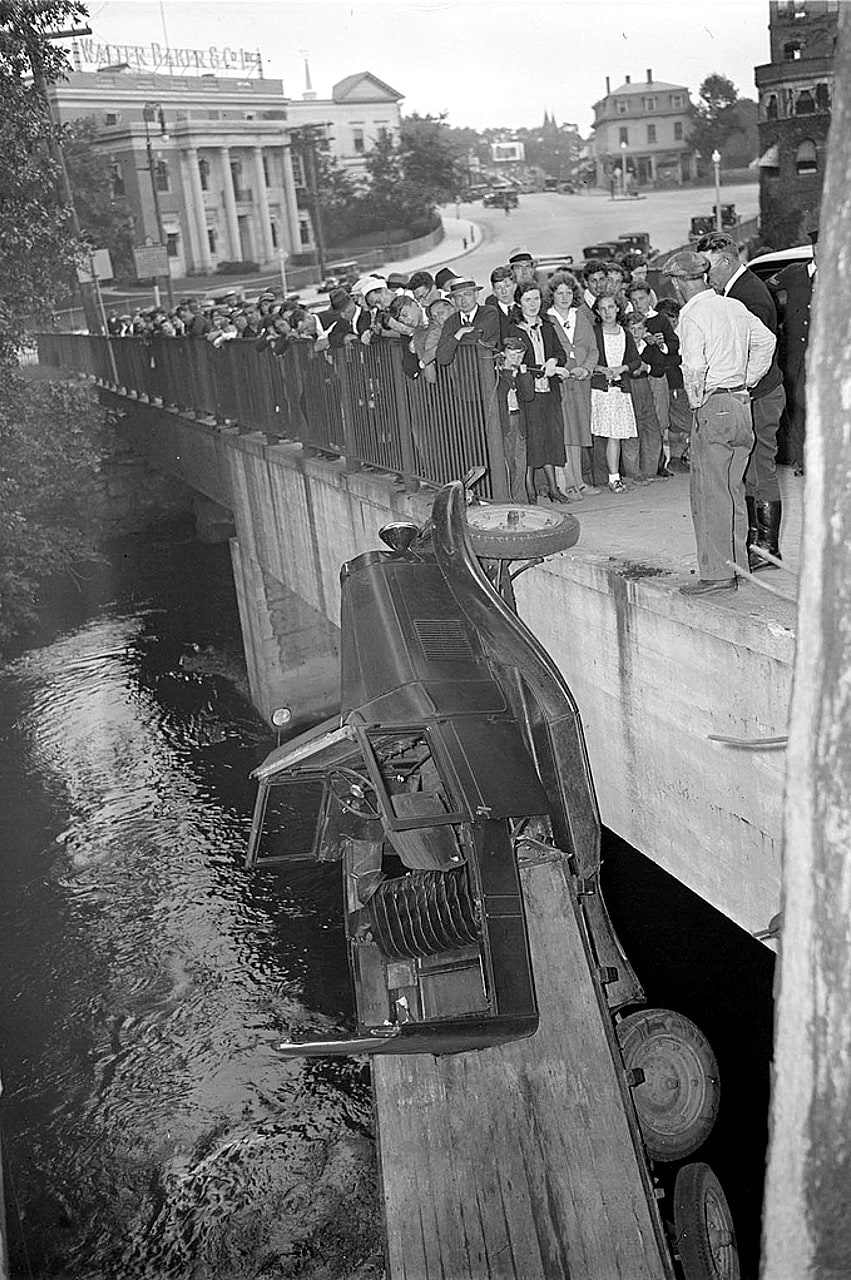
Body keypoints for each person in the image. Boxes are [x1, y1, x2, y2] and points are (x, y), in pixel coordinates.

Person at [660, 250, 776, 596]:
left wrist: (697, 403)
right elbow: (767, 341)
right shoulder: (733, 305)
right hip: (741, 403)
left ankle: (717, 575)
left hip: (714, 405)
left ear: (679, 283)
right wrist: (747, 379)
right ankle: (738, 566)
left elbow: (694, 368)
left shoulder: (692, 316)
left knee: (709, 493)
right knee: (733, 490)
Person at [696, 231, 786, 570]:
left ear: (725, 261)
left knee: (760, 468)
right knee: (750, 469)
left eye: (708, 267)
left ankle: (767, 549)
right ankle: (756, 542)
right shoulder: (737, 291)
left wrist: (742, 385)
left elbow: (759, 349)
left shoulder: (748, 296)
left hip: (759, 394)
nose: (706, 276)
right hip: (753, 393)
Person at [508, 279, 569, 505]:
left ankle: (554, 488)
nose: (533, 304)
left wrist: (554, 362)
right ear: (519, 303)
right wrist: (541, 370)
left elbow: (560, 353)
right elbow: (516, 361)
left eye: (536, 298)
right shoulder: (514, 329)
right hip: (528, 392)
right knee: (532, 440)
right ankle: (530, 489)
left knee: (551, 436)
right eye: (527, 300)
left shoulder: (547, 325)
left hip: (549, 391)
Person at [544, 270, 600, 496]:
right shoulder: (547, 319)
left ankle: (580, 481)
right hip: (560, 382)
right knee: (564, 433)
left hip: (581, 382)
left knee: (578, 430)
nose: (565, 297)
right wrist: (565, 369)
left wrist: (586, 369)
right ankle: (567, 483)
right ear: (552, 295)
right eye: (560, 293)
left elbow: (593, 349)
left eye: (568, 292)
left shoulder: (581, 316)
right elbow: (549, 351)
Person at [771, 226, 817, 478]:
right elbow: (765, 290)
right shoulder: (794, 273)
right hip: (795, 357)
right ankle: (803, 460)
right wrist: (776, 318)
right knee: (797, 408)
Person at [589, 295, 643, 493]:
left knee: (616, 434)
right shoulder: (594, 332)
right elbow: (586, 357)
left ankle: (614, 477)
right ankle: (600, 477)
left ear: (617, 309)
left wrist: (622, 368)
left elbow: (635, 360)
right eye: (603, 309)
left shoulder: (625, 333)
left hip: (619, 389)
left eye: (611, 307)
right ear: (597, 312)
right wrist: (600, 369)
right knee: (601, 434)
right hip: (600, 390)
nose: (607, 312)